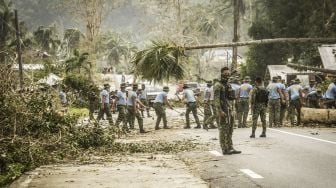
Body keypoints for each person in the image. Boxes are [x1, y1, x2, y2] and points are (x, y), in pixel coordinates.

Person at [214, 67, 241, 155]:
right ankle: (224, 149)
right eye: (225, 74)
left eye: (228, 74)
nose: (227, 75)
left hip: (230, 110)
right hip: (223, 110)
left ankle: (230, 147)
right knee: (223, 130)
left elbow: (230, 97)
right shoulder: (218, 85)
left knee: (230, 130)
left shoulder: (228, 85)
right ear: (221, 74)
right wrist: (220, 111)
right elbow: (216, 99)